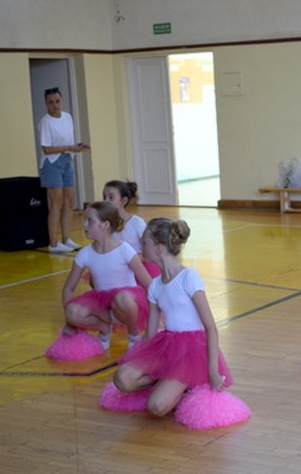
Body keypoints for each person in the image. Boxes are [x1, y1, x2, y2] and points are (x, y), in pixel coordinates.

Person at [113, 217, 232, 417]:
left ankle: (187, 384)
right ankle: (168, 382)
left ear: (159, 247)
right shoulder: (155, 285)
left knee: (156, 406)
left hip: (191, 350)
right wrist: (140, 361)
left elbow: (211, 327)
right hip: (167, 345)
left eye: (144, 243)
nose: (140, 248)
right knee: (122, 378)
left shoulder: (188, 277)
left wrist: (213, 371)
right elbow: (150, 334)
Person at [60, 201, 152, 351]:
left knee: (123, 298)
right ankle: (104, 328)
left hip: (125, 305)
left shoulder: (124, 249)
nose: (84, 225)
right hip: (102, 308)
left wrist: (159, 313)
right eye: (85, 220)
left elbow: (148, 283)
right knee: (72, 312)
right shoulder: (85, 253)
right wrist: (68, 322)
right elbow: (68, 289)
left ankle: (134, 335)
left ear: (105, 225)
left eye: (90, 221)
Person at [38, 87, 89, 254]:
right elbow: (47, 149)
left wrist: (78, 146)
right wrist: (69, 147)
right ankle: (53, 243)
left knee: (70, 201)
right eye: (51, 102)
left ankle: (67, 239)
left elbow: (68, 142)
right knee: (56, 203)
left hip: (67, 161)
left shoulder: (67, 117)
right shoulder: (45, 122)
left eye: (57, 101)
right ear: (46, 104)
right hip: (52, 163)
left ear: (62, 101)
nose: (55, 105)